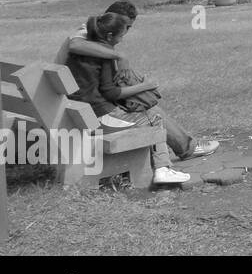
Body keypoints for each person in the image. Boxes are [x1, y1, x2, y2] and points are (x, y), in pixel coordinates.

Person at [65, 12, 219, 185]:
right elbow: (111, 93)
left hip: (81, 115)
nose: (121, 40)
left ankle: (182, 152)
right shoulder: (105, 56)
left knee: (147, 112)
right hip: (99, 118)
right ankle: (163, 169)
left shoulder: (75, 54)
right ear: (109, 35)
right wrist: (145, 86)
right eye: (121, 35)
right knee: (154, 118)